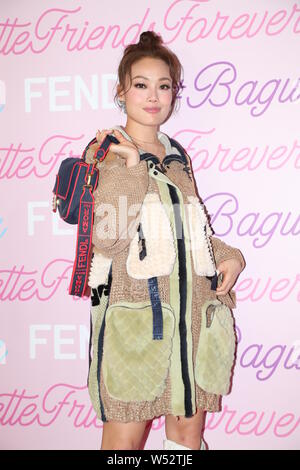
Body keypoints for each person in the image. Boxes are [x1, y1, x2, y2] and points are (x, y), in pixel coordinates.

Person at [85, 31, 246, 451]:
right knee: (123, 442)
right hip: (136, 319)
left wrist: (228, 256)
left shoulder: (177, 154)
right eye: (141, 84)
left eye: (164, 86)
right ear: (121, 91)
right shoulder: (106, 152)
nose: (154, 96)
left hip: (191, 315)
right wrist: (133, 167)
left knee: (187, 438)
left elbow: (194, 227)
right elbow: (107, 238)